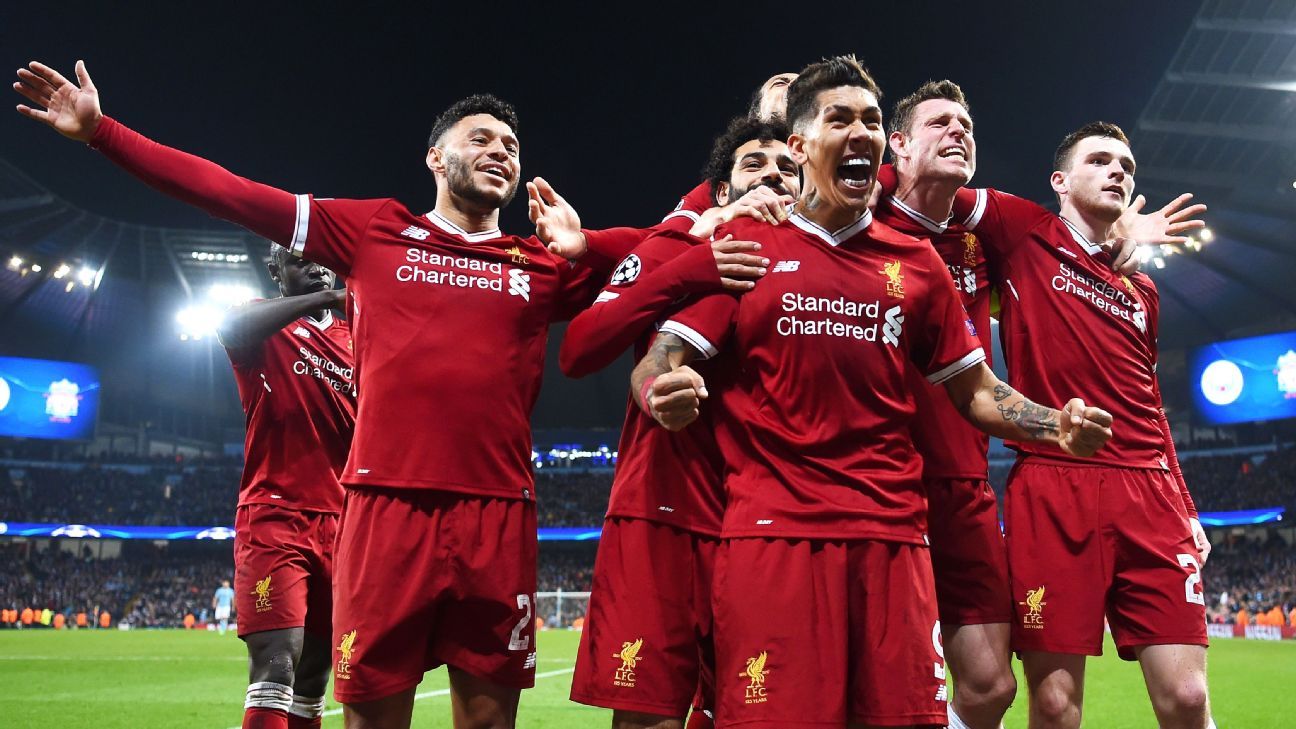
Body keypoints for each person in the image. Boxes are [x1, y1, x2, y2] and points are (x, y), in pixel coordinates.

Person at [15, 59, 628, 729]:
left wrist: (586, 246)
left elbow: (659, 259)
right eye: (480, 138)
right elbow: (231, 193)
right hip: (383, 512)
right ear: (435, 156)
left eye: (510, 145)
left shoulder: (540, 266)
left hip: (498, 514)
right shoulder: (374, 231)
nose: (500, 151)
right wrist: (103, 133)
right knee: (369, 717)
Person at [633, 55, 1112, 729]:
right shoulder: (747, 241)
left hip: (892, 538)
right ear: (799, 146)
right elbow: (662, 354)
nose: (860, 132)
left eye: (870, 120)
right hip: (774, 538)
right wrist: (661, 389)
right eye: (839, 119)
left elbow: (976, 390)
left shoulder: (917, 264)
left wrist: (1054, 423)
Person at [946, 122, 1212, 729]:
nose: (1118, 171)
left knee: (1188, 698)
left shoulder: (1143, 289)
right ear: (1059, 181)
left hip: (1150, 492)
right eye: (1100, 160)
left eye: (1127, 165)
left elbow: (1150, 402)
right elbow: (920, 183)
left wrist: (1188, 507)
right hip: (1053, 482)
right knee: (1054, 702)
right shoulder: (1022, 231)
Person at [564, 116, 794, 729]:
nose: (773, 175)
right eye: (754, 164)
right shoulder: (672, 247)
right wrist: (692, 265)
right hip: (661, 507)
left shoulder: (823, 268)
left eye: (787, 166)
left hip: (769, 520)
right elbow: (579, 350)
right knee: (649, 716)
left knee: (757, 714)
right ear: (720, 190)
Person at [216, 243, 354, 729]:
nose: (316, 267)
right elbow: (228, 327)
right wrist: (326, 298)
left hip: (345, 524)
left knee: (314, 677)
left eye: (324, 259)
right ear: (276, 271)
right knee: (278, 663)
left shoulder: (357, 339)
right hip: (275, 517)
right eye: (300, 260)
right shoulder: (261, 325)